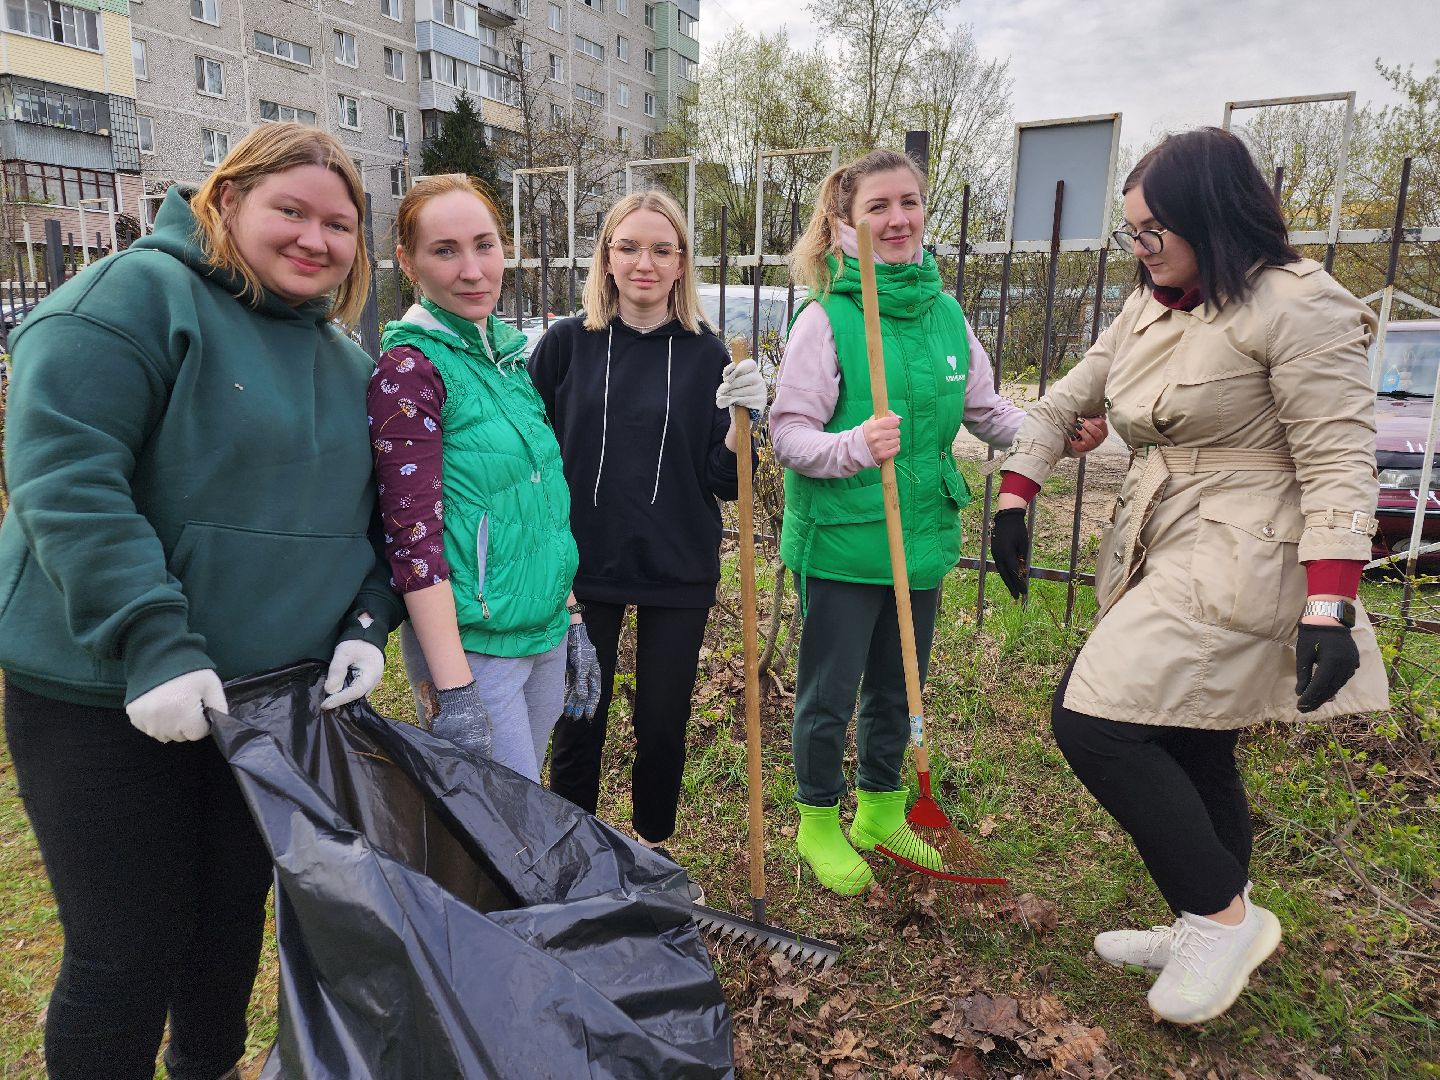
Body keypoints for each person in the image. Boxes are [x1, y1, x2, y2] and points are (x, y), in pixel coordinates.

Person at [0, 123, 402, 1080]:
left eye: (338, 224)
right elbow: (68, 479)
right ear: (225, 202)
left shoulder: (346, 364)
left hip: (267, 702)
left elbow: (385, 518)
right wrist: (154, 640)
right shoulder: (131, 300)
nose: (316, 239)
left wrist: (365, 622)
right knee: (127, 949)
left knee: (229, 926)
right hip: (105, 696)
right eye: (291, 211)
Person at [989, 127, 1389, 1025]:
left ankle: (1221, 920)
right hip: (1167, 536)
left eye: (1153, 232)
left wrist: (1331, 600)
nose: (1141, 250)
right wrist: (1017, 493)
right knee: (1191, 733)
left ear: (1213, 216)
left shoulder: (1297, 304)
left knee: (1093, 719)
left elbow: (1336, 463)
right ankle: (1208, 912)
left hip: (1248, 550)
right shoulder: (1151, 304)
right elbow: (1065, 399)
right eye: (1131, 232)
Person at [771, 149, 1107, 897]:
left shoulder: (945, 314)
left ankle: (882, 811)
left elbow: (990, 413)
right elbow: (787, 432)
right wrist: (854, 445)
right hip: (842, 545)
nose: (897, 219)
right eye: (878, 207)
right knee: (828, 694)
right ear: (842, 225)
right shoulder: (828, 321)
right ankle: (818, 820)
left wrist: (1054, 435)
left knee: (900, 686)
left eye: (909, 202)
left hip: (919, 541)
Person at [530, 190, 764, 879]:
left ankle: (650, 852)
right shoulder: (567, 345)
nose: (644, 261)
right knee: (580, 718)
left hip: (676, 567)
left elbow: (723, 482)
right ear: (606, 257)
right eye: (629, 246)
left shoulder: (706, 354)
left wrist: (740, 426)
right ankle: (570, 857)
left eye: (662, 249)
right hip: (584, 566)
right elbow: (533, 453)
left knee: (661, 725)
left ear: (681, 263)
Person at [370, 174, 601, 784]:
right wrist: (455, 689)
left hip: (544, 630)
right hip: (476, 650)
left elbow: (542, 504)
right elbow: (412, 538)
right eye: (445, 251)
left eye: (485, 244)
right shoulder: (410, 371)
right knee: (502, 826)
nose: (473, 270)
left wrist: (572, 619)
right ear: (408, 262)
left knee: (518, 808)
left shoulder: (505, 358)